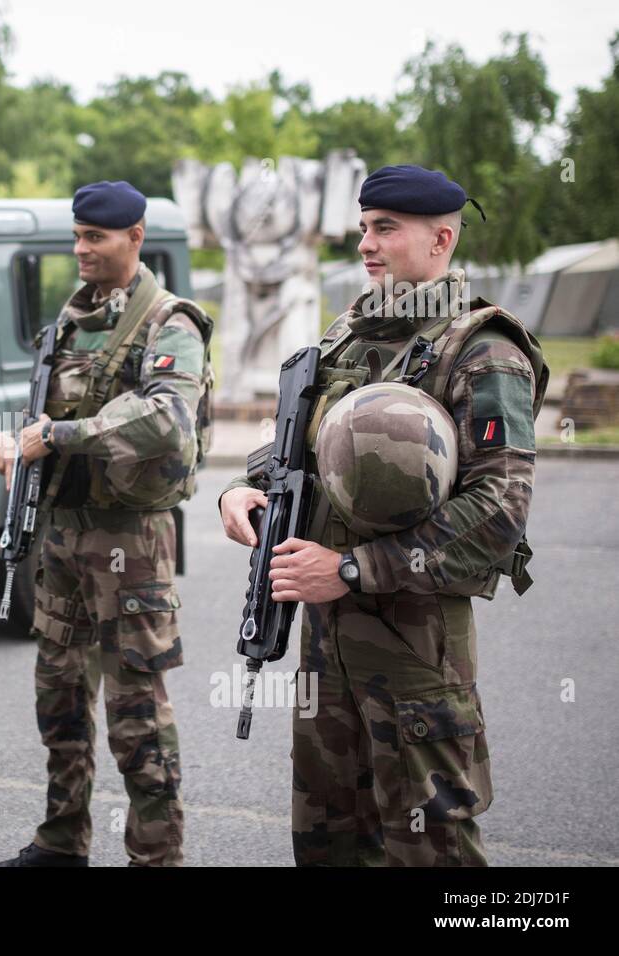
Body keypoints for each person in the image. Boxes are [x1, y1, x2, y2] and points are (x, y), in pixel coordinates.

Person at [218, 164, 548, 866]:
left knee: (431, 847)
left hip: (412, 651)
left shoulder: (484, 352)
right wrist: (244, 487)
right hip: (324, 644)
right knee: (329, 838)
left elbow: (499, 510)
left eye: (386, 228)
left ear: (441, 240)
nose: (367, 244)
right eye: (365, 227)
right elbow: (307, 444)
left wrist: (349, 567)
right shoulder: (350, 334)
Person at [0, 181, 214, 866]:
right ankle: (61, 842)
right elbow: (46, 415)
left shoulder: (169, 321)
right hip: (61, 533)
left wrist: (56, 435)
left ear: (135, 236)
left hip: (129, 544)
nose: (82, 248)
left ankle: (156, 856)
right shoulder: (68, 318)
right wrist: (18, 444)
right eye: (78, 235)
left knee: (135, 711)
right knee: (58, 695)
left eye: (98, 237)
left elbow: (169, 420)